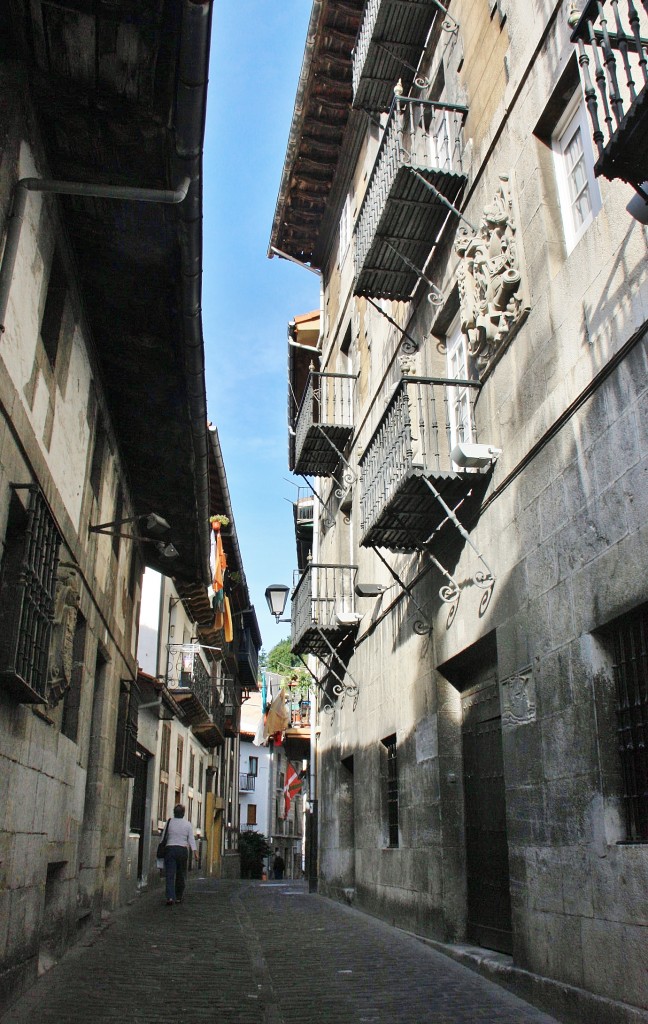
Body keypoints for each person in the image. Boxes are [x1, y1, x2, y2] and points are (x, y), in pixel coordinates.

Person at [163, 804, 198, 905]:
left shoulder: (169, 823)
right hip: (182, 850)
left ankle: (170, 896)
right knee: (181, 874)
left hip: (170, 849)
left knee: (170, 874)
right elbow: (191, 839)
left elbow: (164, 836)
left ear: (174, 813)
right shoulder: (187, 824)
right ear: (183, 813)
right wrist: (195, 852)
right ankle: (178, 896)